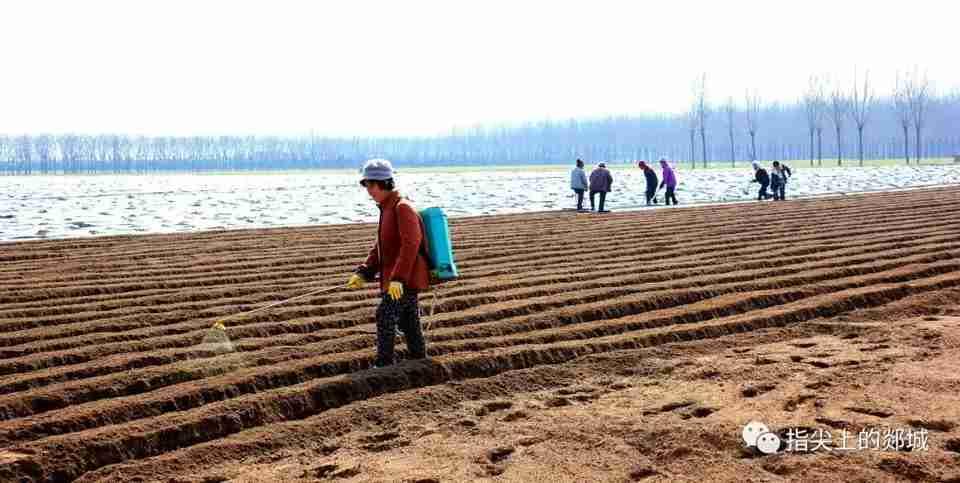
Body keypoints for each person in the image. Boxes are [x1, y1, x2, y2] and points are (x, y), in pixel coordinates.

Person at [347, 159, 430, 368]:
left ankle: (384, 365)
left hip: (404, 280)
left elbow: (411, 244)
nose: (368, 190)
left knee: (384, 314)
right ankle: (420, 361)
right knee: (409, 321)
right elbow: (381, 247)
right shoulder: (387, 209)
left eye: (371, 185)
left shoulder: (402, 207)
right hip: (399, 279)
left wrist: (398, 279)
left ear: (384, 183)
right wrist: (364, 271)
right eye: (366, 185)